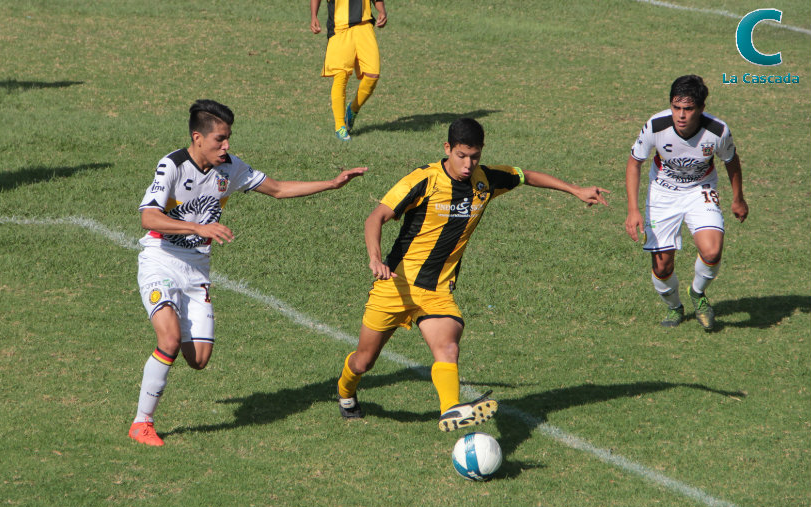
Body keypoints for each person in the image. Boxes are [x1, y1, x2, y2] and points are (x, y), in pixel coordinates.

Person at [336, 117, 609, 431]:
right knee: (364, 361)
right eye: (461, 155)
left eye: (475, 156)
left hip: (437, 290)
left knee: (448, 347)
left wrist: (574, 190)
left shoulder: (487, 180)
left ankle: (451, 409)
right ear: (447, 148)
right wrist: (374, 259)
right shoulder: (423, 180)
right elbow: (376, 217)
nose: (468, 164)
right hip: (396, 285)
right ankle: (345, 391)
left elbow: (526, 175)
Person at [129, 99, 366, 446]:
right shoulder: (173, 166)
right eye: (219, 140)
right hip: (160, 260)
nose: (226, 146)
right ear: (198, 138)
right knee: (167, 340)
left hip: (196, 270)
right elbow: (148, 218)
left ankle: (167, 346)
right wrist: (201, 228)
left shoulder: (230, 168)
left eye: (228, 139)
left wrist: (331, 184)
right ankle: (142, 423)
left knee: (198, 359)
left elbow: (279, 189)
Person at [624, 75, 749, 330]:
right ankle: (674, 307)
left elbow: (731, 160)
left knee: (712, 251)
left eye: (688, 109)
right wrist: (633, 209)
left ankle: (697, 294)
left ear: (701, 109)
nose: (681, 115)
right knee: (662, 266)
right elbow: (634, 162)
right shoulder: (655, 125)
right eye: (676, 107)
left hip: (699, 190)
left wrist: (738, 198)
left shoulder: (717, 131)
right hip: (663, 192)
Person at [310, 0, 387, 141]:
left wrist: (382, 11)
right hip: (340, 28)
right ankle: (340, 126)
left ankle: (353, 110)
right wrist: (314, 16)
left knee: (373, 75)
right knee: (341, 75)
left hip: (364, 26)